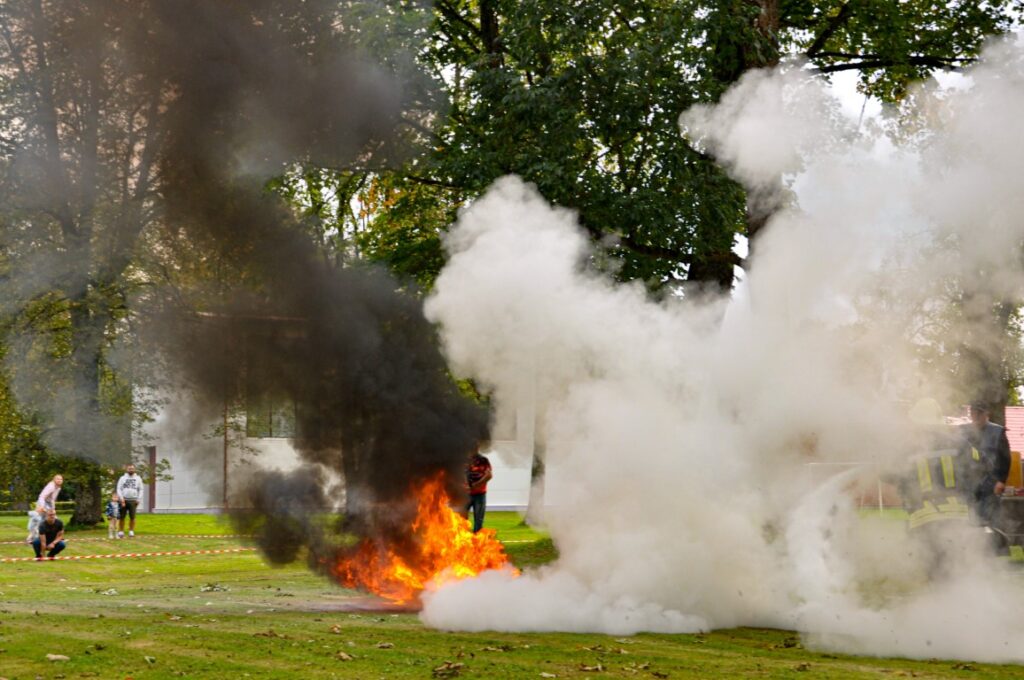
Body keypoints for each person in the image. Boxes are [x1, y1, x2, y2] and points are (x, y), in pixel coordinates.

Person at [961, 401, 1011, 526]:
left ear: (987, 414)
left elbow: (1005, 458)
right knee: (969, 520)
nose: (976, 417)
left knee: (990, 521)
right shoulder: (962, 432)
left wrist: (1001, 481)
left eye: (979, 413)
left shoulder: (998, 432)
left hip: (991, 484)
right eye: (973, 413)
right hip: (968, 483)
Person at [465, 444, 493, 533]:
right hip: (464, 496)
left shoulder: (483, 460)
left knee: (478, 520)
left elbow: (489, 475)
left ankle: (477, 541)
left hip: (479, 495)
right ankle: (463, 541)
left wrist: (477, 484)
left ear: (477, 448)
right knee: (461, 519)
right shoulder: (462, 460)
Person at [116, 463, 143, 538]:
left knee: (132, 517)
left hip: (133, 500)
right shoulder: (122, 478)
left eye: (132, 468)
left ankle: (131, 531)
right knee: (122, 517)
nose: (131, 470)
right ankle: (121, 531)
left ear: (134, 469)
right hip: (123, 500)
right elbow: (119, 489)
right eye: (129, 468)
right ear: (127, 469)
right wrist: (121, 499)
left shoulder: (138, 478)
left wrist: (139, 499)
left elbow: (141, 489)